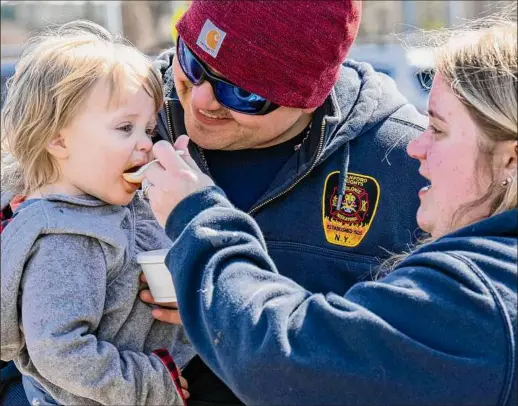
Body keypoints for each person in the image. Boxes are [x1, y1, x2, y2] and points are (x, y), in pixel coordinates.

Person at [141, 8, 517, 406]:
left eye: (243, 93)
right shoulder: (111, 113)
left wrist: (205, 260)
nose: (201, 99)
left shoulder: (479, 290)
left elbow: (287, 358)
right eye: (191, 62)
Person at [0, 21, 191, 406]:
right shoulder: (65, 239)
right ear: (58, 138)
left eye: (148, 130)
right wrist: (151, 386)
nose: (146, 145)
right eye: (125, 128)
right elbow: (61, 350)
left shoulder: (106, 203)